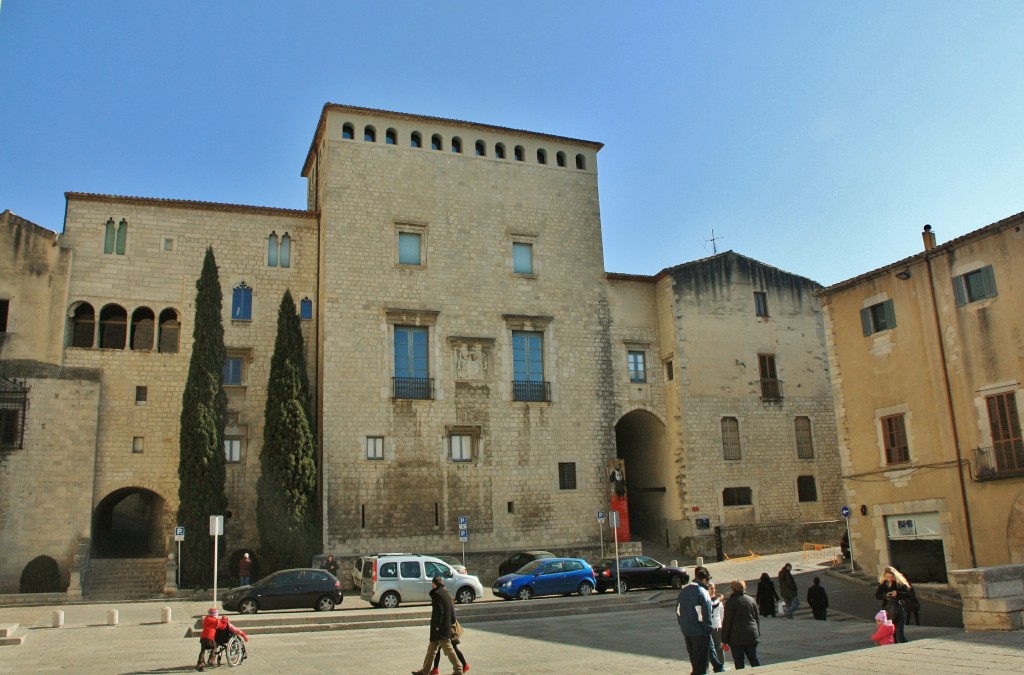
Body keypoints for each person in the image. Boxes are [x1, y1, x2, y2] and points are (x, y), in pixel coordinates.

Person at [412, 576, 462, 675]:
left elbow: (439, 611)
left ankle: (458, 669)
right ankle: (425, 670)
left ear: (434, 584)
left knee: (448, 648)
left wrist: (437, 625)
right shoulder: (446, 593)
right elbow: (451, 610)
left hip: (440, 628)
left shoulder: (437, 594)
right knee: (431, 649)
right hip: (445, 626)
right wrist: (451, 622)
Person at [676, 565, 714, 675]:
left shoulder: (684, 591)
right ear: (705, 580)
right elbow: (706, 613)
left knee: (694, 662)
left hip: (687, 630)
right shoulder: (702, 592)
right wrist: (708, 629)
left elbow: (678, 611)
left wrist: (683, 625)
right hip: (700, 631)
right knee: (702, 665)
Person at [722, 578, 761, 670]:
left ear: (733, 588)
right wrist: (757, 633)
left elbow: (727, 621)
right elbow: (757, 619)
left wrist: (724, 639)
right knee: (754, 658)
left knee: (739, 661)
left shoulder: (730, 602)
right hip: (751, 633)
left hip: (736, 636)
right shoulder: (751, 600)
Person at [875, 566, 912, 642]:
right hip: (887, 610)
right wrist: (885, 595)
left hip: (898, 608)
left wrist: (897, 593)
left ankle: (906, 646)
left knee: (899, 634)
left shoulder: (899, 584)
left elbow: (908, 594)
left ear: (895, 577)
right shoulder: (883, 584)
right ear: (884, 576)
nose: (889, 579)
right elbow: (877, 595)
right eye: (887, 577)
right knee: (892, 632)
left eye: (892, 577)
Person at [430, 606, 469, 674]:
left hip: (447, 630)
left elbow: (452, 618)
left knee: (451, 648)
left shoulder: (445, 602)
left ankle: (464, 664)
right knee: (442, 648)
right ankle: (435, 668)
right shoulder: (447, 601)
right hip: (447, 629)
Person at [708, 583, 726, 673]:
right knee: (709, 648)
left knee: (719, 647)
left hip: (717, 626)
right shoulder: (707, 600)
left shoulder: (719, 601)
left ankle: (722, 665)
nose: (713, 590)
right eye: (711, 588)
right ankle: (711, 666)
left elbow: (721, 613)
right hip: (708, 627)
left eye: (714, 588)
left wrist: (722, 625)